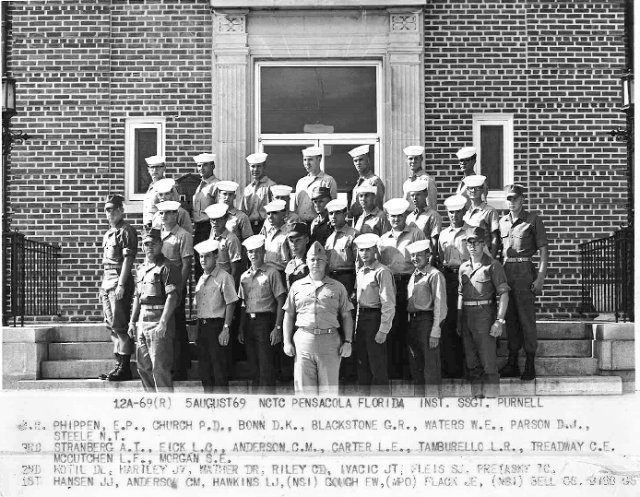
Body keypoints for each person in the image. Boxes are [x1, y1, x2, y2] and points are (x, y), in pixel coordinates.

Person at [283, 242, 354, 395]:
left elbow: (347, 315)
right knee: (304, 392)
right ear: (307, 261)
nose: (316, 263)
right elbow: (288, 314)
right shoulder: (296, 286)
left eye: (320, 260)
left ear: (326, 262)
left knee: (329, 393)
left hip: (329, 341)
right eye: (313, 259)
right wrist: (287, 342)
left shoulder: (337, 287)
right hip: (304, 340)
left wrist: (348, 341)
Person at [498, 184, 549, 381]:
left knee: (526, 318)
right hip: (506, 271)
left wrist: (540, 278)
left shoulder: (533, 220)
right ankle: (512, 361)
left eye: (515, 198)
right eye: (509, 199)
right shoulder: (503, 222)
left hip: (524, 272)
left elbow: (543, 250)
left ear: (522, 200)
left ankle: (529, 361)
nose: (512, 202)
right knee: (510, 318)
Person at [457, 227, 509, 398]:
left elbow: (503, 294)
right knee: (472, 364)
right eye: (469, 242)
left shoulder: (493, 266)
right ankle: (477, 402)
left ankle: (493, 404)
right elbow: (460, 295)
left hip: (485, 316)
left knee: (489, 365)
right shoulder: (463, 267)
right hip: (467, 317)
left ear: (483, 243)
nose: (472, 246)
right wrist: (459, 321)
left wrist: (499, 321)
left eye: (476, 242)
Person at [378, 198, 426, 379]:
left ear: (405, 215)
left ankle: (411, 369)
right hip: (390, 285)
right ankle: (395, 368)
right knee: (393, 324)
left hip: (411, 283)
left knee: (412, 326)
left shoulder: (415, 234)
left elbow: (423, 259)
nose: (396, 219)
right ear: (388, 218)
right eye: (392, 216)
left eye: (399, 216)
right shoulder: (383, 240)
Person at [128, 228, 181, 392]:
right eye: (146, 244)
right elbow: (137, 297)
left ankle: (165, 411)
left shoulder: (167, 267)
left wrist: (163, 322)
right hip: (143, 320)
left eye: (153, 244)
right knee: (143, 367)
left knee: (160, 368)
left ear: (160, 245)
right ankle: (152, 406)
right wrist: (132, 322)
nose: (149, 247)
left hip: (158, 319)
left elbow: (172, 298)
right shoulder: (141, 269)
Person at [237, 235, 287, 394]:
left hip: (265, 322)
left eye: (257, 252)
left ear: (263, 252)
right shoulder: (244, 276)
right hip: (249, 323)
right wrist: (240, 328)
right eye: (250, 252)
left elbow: (281, 300)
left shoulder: (272, 273)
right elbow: (243, 304)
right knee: (254, 365)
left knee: (266, 365)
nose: (253, 255)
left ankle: (267, 402)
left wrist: (278, 327)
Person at [98, 194, 138, 382]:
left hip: (118, 281)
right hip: (107, 281)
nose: (110, 213)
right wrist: (102, 286)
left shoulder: (126, 230)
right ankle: (117, 365)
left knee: (120, 326)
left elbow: (128, 260)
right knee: (111, 325)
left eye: (113, 209)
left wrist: (122, 284)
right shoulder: (108, 233)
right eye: (107, 209)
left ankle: (125, 367)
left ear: (121, 210)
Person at [193, 238, 238, 393]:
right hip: (202, 327)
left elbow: (231, 303)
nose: (203, 260)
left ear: (216, 257)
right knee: (205, 370)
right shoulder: (201, 279)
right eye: (201, 257)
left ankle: (222, 408)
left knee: (219, 370)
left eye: (207, 256)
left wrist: (226, 328)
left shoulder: (224, 277)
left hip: (217, 326)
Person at [353, 233, 395, 396]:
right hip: (362, 318)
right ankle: (365, 400)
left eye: (368, 250)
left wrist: (383, 329)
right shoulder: (361, 271)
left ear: (375, 250)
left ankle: (381, 401)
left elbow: (388, 302)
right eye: (361, 250)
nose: (364, 253)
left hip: (375, 318)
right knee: (362, 362)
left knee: (377, 364)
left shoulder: (382, 272)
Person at [157, 200, 194, 381]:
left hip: (175, 286)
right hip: (160, 287)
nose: (164, 217)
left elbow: (187, 263)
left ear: (175, 215)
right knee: (167, 326)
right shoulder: (159, 234)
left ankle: (181, 367)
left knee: (178, 326)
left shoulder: (183, 235)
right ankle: (168, 364)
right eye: (161, 213)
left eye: (168, 213)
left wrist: (180, 288)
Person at [406, 239, 447, 397]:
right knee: (416, 365)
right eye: (413, 255)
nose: (415, 258)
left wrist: (435, 331)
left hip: (427, 322)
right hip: (413, 322)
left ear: (428, 255)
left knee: (431, 367)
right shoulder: (414, 276)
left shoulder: (434, 275)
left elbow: (440, 304)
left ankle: (433, 404)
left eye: (419, 255)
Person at [438, 194, 469, 379]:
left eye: (457, 212)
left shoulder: (472, 232)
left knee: (465, 320)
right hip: (449, 278)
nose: (454, 216)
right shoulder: (443, 234)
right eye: (451, 213)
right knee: (449, 321)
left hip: (467, 278)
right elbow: (441, 258)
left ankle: (468, 367)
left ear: (464, 212)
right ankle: (452, 367)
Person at [192, 152, 220, 281]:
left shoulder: (216, 185)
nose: (201, 168)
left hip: (209, 228)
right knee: (199, 264)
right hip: (198, 229)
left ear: (213, 166)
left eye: (205, 165)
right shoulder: (199, 187)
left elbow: (220, 210)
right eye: (199, 165)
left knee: (209, 263)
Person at [293, 146, 337, 223]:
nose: (307, 163)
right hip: (301, 226)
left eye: (310, 159)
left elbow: (332, 207)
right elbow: (296, 207)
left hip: (319, 225)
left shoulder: (328, 180)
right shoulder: (301, 182)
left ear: (319, 159)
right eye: (305, 160)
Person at [324, 198, 359, 296]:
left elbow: (359, 263)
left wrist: (356, 287)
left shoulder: (353, 234)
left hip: (348, 278)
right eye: (331, 214)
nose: (333, 217)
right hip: (332, 279)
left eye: (337, 213)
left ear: (345, 214)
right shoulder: (329, 239)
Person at [462, 175, 500, 258]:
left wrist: (492, 259)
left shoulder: (489, 211)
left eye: (477, 188)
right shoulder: (466, 213)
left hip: (484, 257)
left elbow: (495, 238)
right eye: (470, 188)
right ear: (467, 191)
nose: (473, 190)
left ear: (482, 190)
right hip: (469, 258)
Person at [205, 203, 242, 285]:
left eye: (219, 219)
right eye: (212, 220)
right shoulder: (211, 238)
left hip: (225, 283)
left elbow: (235, 269)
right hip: (213, 282)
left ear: (226, 220)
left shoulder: (231, 239)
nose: (215, 222)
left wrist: (229, 288)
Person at [241, 152, 277, 234]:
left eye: (258, 166)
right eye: (253, 166)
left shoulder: (271, 186)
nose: (255, 170)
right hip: (249, 227)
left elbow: (275, 211)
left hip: (266, 226)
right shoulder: (247, 189)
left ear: (264, 167)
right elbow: (242, 212)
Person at [406, 179, 442, 257]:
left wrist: (432, 258)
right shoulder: (409, 218)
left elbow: (434, 240)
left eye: (418, 194)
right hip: (412, 258)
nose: (415, 198)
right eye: (412, 195)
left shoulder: (433, 215)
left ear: (425, 194)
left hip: (426, 257)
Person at [348, 145, 385, 219]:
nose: (358, 163)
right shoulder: (359, 183)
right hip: (358, 222)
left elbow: (377, 206)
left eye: (361, 160)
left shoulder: (374, 181)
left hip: (371, 222)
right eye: (355, 161)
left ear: (368, 160)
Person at [402, 145, 437, 211]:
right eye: (410, 158)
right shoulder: (407, 183)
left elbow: (432, 208)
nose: (413, 161)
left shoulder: (428, 180)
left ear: (421, 159)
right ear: (406, 160)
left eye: (416, 158)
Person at [261, 199, 291, 275]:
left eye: (274, 213)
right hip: (267, 273)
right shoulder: (267, 231)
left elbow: (293, 260)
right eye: (268, 213)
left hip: (281, 273)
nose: (270, 217)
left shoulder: (289, 233)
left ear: (284, 214)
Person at [142, 155, 166, 227]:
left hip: (160, 228)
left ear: (164, 168)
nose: (155, 170)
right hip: (149, 227)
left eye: (158, 167)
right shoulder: (151, 186)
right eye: (152, 167)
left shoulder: (166, 186)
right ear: (148, 170)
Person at [284, 222, 310, 289]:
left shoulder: (312, 262)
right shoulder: (290, 263)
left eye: (298, 240)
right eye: (291, 241)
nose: (294, 244)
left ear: (306, 240)